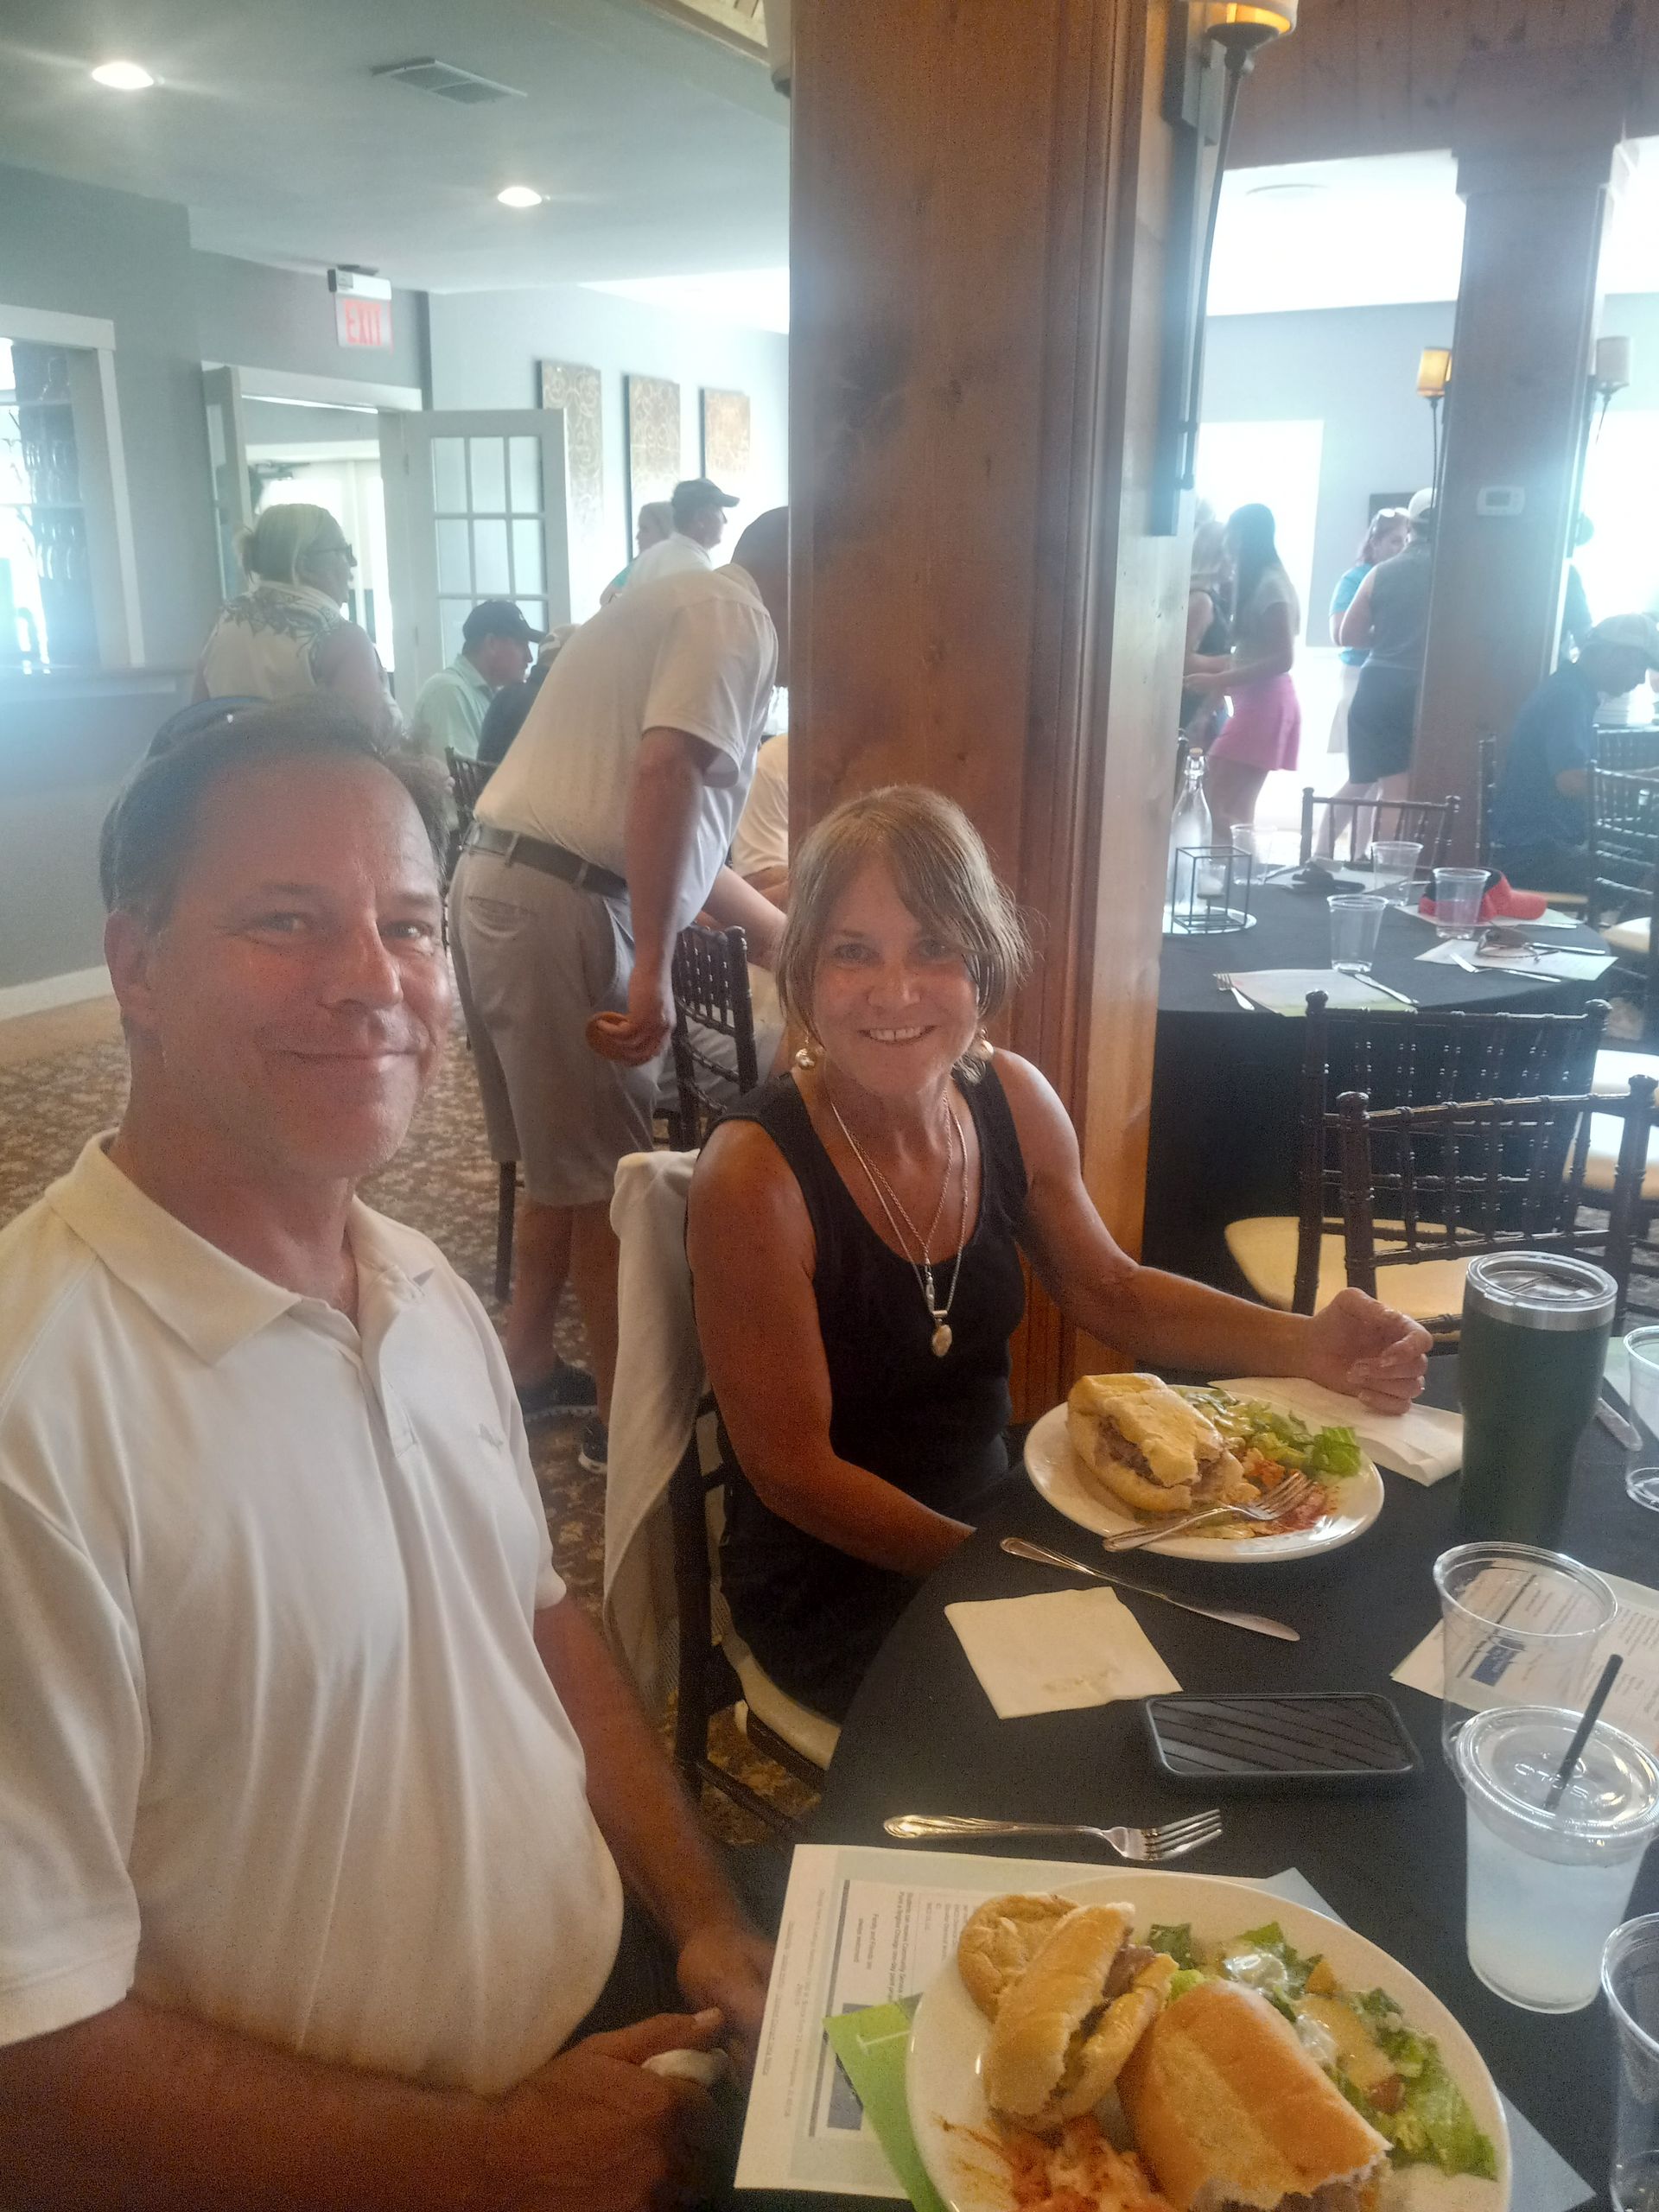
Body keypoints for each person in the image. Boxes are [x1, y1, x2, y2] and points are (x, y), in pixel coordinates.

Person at [0, 698, 774, 2210]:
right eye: (287, 922)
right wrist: (481, 2164)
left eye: (411, 926)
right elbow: (32, 2054)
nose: (374, 983)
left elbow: (537, 1619)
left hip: (617, 2039)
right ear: (133, 968)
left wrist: (702, 1910)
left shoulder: (419, 1280)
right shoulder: (37, 1418)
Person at [686, 787, 1431, 1720]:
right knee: (1118, 1727)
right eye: (852, 952)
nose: (897, 990)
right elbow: (794, 1475)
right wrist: (999, 1560)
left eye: (934, 947)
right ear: (801, 976)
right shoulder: (754, 1177)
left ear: (984, 966)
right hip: (842, 1581)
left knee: (1258, 1640)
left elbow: (1114, 1290)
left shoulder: (1011, 1099)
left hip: (1005, 1511)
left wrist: (1309, 1343)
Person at [449, 510, 791, 1477]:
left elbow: (686, 833)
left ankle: (526, 1358)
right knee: (608, 1177)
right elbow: (664, 773)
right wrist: (650, 966)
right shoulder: (740, 617)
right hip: (566, 903)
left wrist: (783, 946)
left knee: (558, 1158)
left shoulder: (680, 599)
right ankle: (619, 1422)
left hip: (505, 880)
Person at [194, 502, 395, 737]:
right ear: (304, 563)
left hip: (231, 772)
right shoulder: (342, 638)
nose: (353, 563)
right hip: (316, 773)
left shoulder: (221, 626)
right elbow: (364, 744)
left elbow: (196, 724)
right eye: (343, 551)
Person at [1491, 614, 1659, 891]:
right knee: (1649, 876)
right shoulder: (1569, 697)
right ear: (1615, 655)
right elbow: (1571, 782)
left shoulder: (1570, 687)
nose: (1641, 680)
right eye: (1640, 667)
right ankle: (1618, 933)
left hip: (1537, 844)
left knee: (1643, 862)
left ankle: (1620, 931)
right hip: (1535, 854)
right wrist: (1650, 777)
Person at [1186, 504, 1301, 838]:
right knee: (1237, 808)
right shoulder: (1265, 582)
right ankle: (1238, 881)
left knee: (1212, 800)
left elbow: (1283, 658)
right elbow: (1247, 655)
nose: (1227, 545)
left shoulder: (1270, 585)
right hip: (1264, 704)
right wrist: (1209, 707)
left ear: (1245, 536)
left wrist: (1216, 679)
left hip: (1265, 705)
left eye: (1232, 536)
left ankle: (1231, 877)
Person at [1330, 491, 1435, 839]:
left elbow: (1349, 634)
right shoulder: (1453, 575)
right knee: (1397, 789)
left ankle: (1319, 858)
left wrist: (1389, 633)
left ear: (1412, 530)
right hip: (1413, 687)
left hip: (1375, 684)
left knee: (1360, 780)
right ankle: (1387, 873)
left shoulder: (1381, 573)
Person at [408, 601, 543, 761]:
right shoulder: (447, 692)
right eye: (521, 645)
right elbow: (464, 782)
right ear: (492, 644)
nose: (530, 658)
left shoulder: (488, 693)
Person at [1327, 508, 1409, 759]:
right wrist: (1395, 634)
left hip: (1397, 681)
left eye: (1407, 541)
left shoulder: (1410, 578)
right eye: (1395, 541)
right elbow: (1340, 632)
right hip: (1359, 677)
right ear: (1375, 543)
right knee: (1363, 773)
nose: (1402, 548)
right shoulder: (1355, 579)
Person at [620, 479, 741, 594]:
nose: (725, 520)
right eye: (719, 511)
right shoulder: (696, 571)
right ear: (701, 518)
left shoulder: (648, 558)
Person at [1178, 505, 1230, 750]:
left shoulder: (1215, 596)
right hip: (1192, 708)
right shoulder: (1200, 601)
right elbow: (1181, 661)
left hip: (1207, 704)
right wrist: (1232, 662)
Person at [601, 501, 675, 607]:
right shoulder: (639, 565)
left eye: (644, 529)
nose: (637, 537)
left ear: (665, 531)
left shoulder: (679, 567)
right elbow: (606, 599)